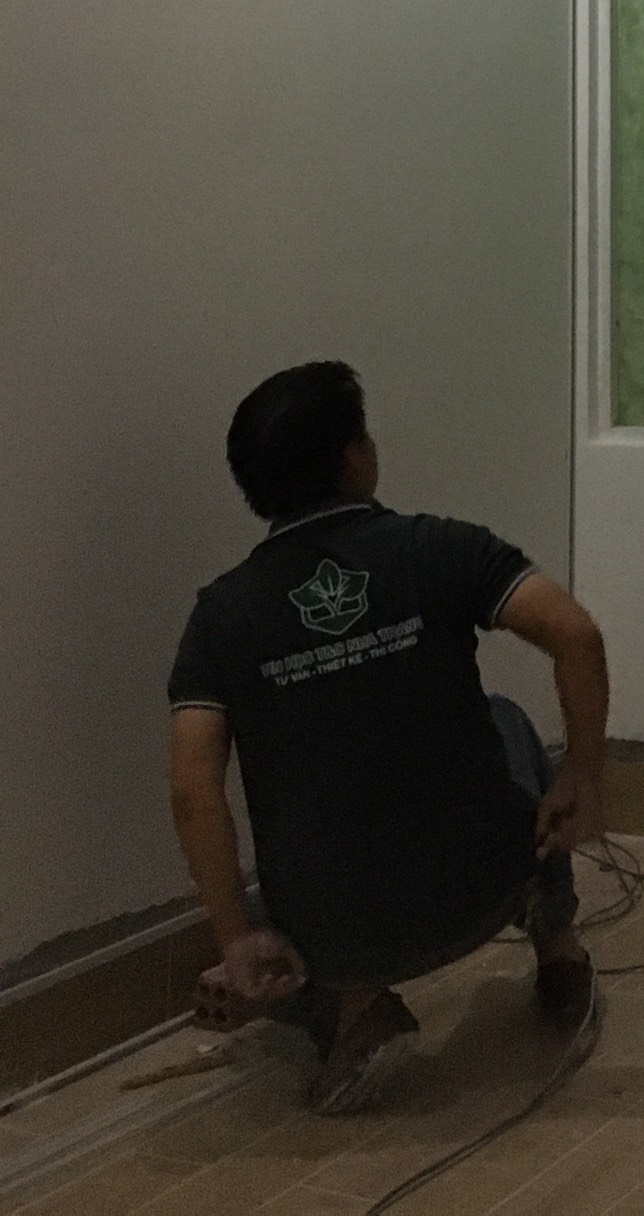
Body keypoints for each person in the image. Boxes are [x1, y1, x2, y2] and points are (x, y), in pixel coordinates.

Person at [168, 360, 610, 1112]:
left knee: (275, 906)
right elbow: (575, 632)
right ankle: (557, 944)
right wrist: (585, 776)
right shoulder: (436, 549)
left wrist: (234, 936)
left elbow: (192, 793)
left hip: (341, 941)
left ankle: (355, 1007)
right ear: (356, 456)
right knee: (505, 717)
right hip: (483, 887)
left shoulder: (220, 617)